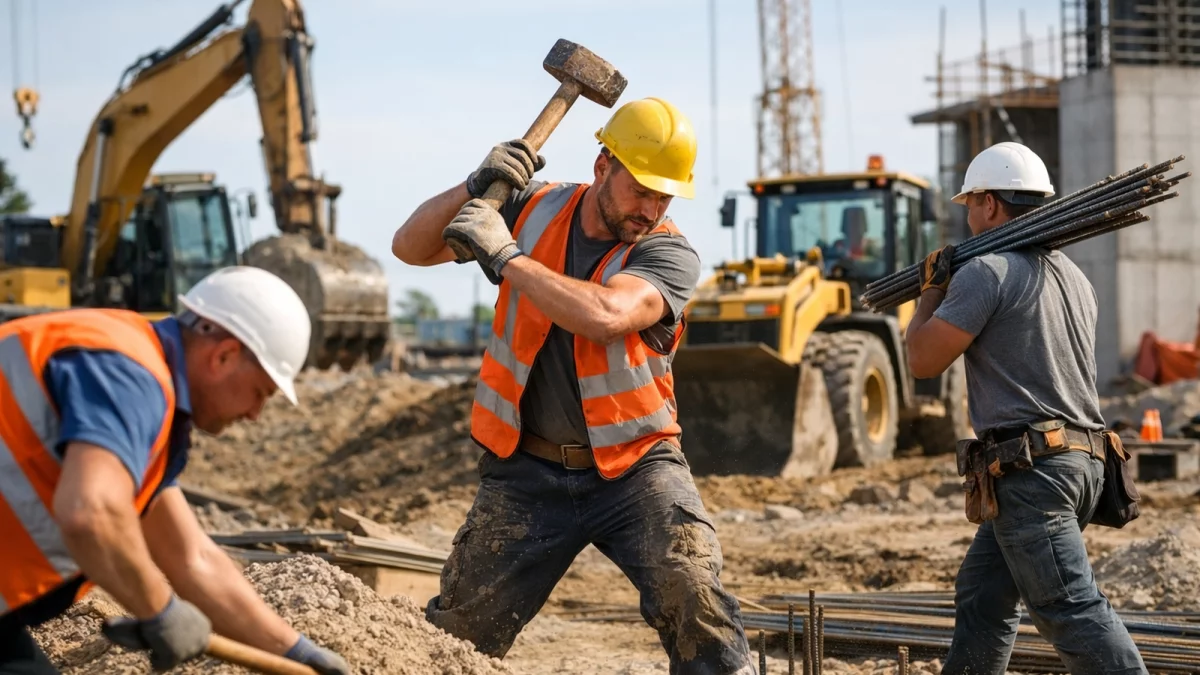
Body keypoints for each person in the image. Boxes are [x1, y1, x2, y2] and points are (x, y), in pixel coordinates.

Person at [392, 97, 755, 674]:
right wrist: (473, 186)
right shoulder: (532, 205)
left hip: (635, 469)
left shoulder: (668, 251)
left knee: (695, 595)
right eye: (642, 189)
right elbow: (409, 247)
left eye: (665, 195)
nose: (652, 208)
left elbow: (607, 315)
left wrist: (506, 255)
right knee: (456, 637)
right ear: (603, 167)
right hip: (525, 473)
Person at [0, 266, 350, 675]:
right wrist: (160, 610)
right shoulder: (129, 375)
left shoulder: (139, 380)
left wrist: (297, 652)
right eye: (261, 393)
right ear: (224, 356)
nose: (256, 414)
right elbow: (92, 513)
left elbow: (193, 558)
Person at [903, 141, 1146, 674]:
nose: (966, 217)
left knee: (1069, 608)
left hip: (1033, 475)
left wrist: (929, 293)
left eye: (969, 204)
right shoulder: (1074, 279)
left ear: (990, 204)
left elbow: (922, 360)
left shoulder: (985, 272)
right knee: (983, 597)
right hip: (1082, 466)